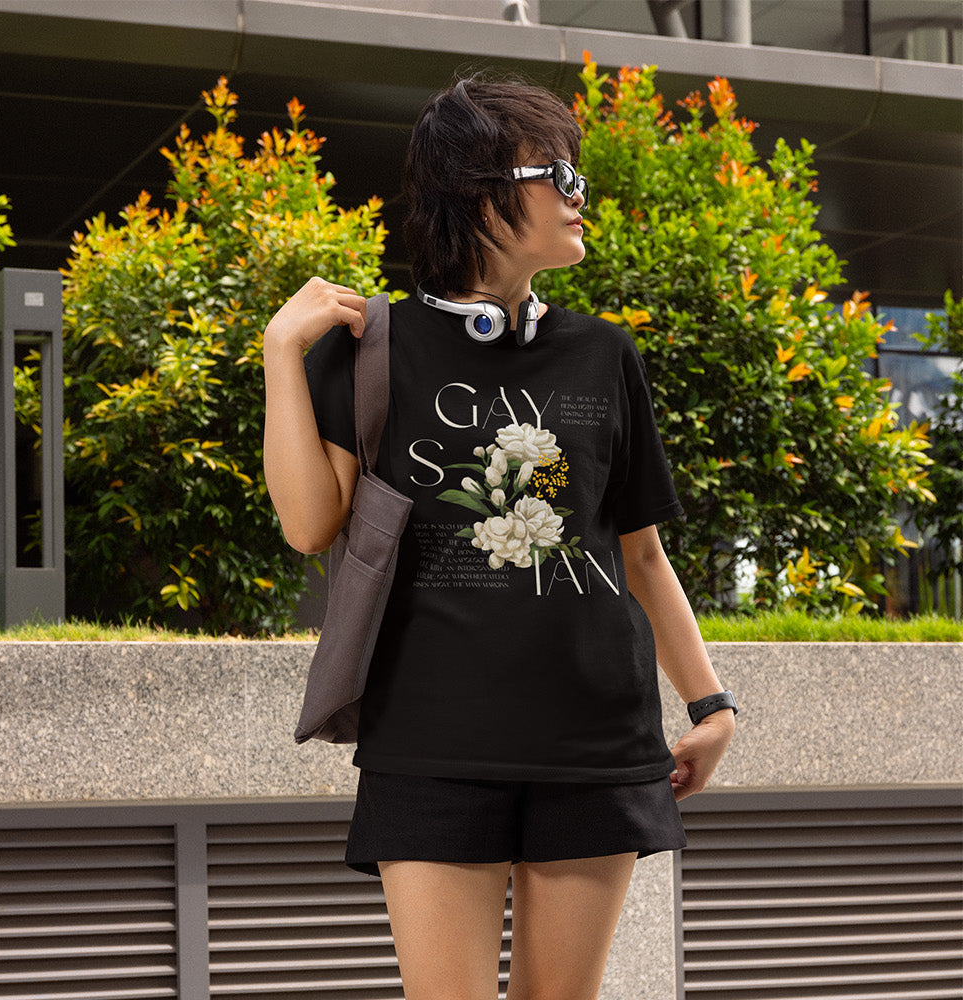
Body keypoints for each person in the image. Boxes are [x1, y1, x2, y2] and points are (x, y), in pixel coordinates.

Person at [263, 75, 735, 1000]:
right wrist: (284, 351)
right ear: (480, 190)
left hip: (596, 743)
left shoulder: (604, 352)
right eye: (556, 172)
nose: (577, 197)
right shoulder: (369, 350)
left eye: (578, 175)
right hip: (432, 747)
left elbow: (637, 552)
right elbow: (309, 522)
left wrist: (710, 704)